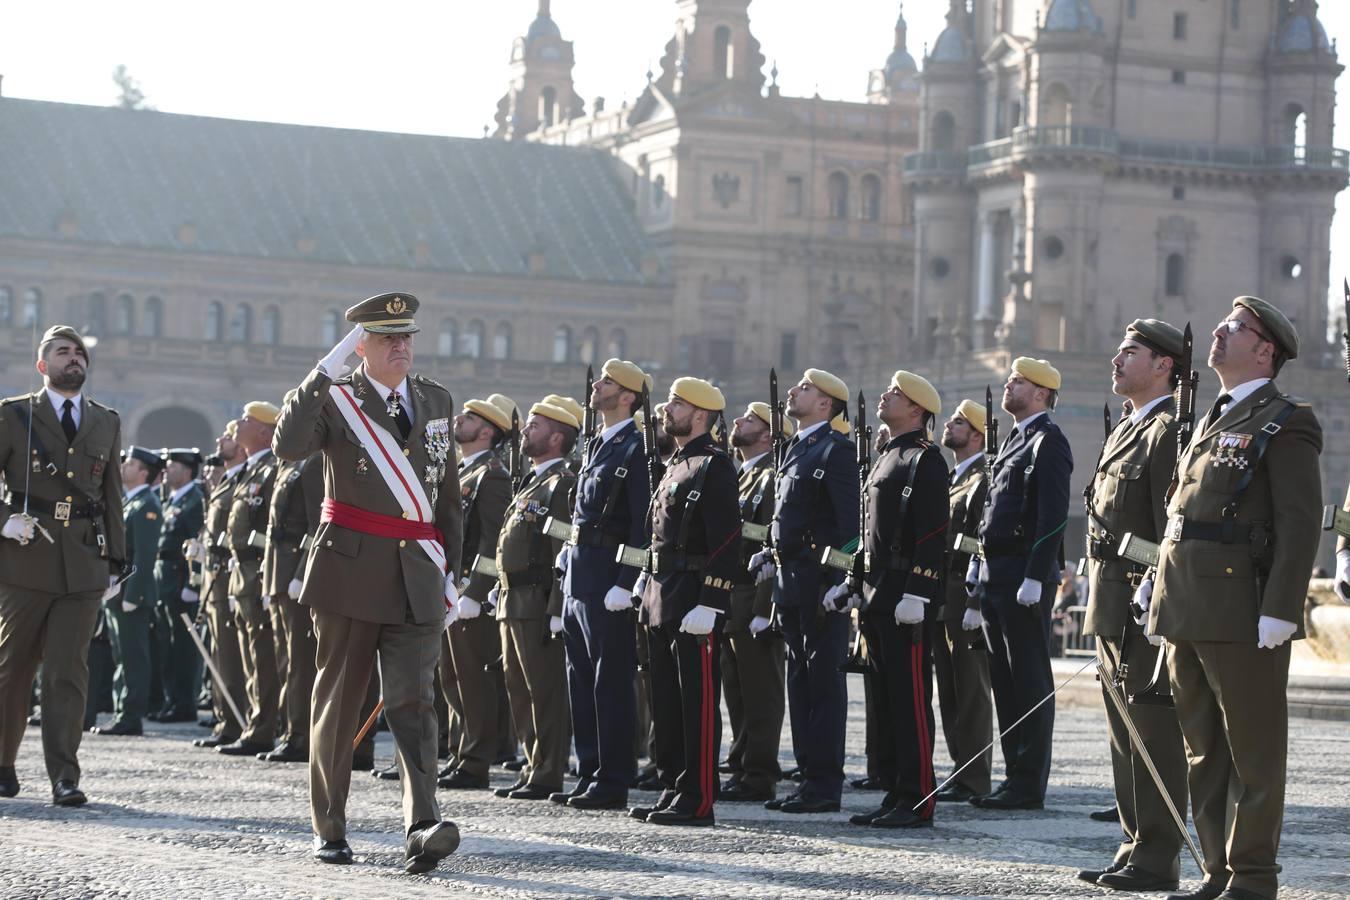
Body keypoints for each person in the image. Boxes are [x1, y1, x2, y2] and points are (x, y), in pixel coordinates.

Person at [274, 291, 463, 872]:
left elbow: (446, 496)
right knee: (339, 703)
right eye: (388, 338)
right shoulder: (336, 398)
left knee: (415, 702)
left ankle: (422, 825)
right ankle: (329, 826)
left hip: (418, 576)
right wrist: (320, 375)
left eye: (407, 336)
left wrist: (449, 570)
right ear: (362, 346)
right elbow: (287, 447)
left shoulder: (435, 399)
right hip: (349, 571)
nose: (401, 345)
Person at [1145, 297, 1322, 900]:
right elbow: (1181, 515)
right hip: (1187, 604)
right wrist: (1157, 584)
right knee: (1203, 754)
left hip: (1243, 610)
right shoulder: (1207, 417)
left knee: (1253, 752)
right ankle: (1216, 868)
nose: (1217, 333)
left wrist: (1282, 607)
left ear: (1265, 349)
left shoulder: (1287, 419)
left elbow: (1299, 524)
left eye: (1234, 328)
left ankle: (1252, 876)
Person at [1078, 319, 1189, 892]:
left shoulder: (1168, 429)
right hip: (1108, 598)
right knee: (1125, 734)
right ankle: (1134, 843)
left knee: (1152, 729)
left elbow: (1167, 529)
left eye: (1131, 352)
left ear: (1164, 365)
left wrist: (1149, 576)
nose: (1117, 359)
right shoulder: (1129, 427)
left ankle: (1158, 855)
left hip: (1140, 603)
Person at [0, 325, 125, 806]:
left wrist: (118, 561)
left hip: (84, 565)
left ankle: (64, 777)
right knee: (13, 669)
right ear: (42, 365)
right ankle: (3, 765)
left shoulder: (106, 421)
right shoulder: (14, 415)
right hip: (25, 558)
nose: (73, 358)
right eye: (61, 352)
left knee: (68, 674)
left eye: (78, 353)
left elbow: (113, 494)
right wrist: (4, 521)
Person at [832, 372, 949, 829]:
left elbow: (933, 532)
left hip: (905, 596)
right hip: (878, 594)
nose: (885, 395)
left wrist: (919, 590)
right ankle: (897, 789)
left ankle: (919, 797)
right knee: (886, 700)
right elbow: (871, 533)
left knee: (911, 699)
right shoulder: (887, 457)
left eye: (896, 394)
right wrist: (854, 581)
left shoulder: (925, 460)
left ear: (917, 410)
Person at [630, 378, 741, 827]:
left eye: (675, 403)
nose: (665, 410)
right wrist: (645, 580)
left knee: (697, 702)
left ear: (700, 415)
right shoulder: (676, 464)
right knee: (667, 702)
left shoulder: (714, 466)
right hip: (662, 593)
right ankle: (674, 786)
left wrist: (712, 599)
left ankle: (698, 799)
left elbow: (727, 538)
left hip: (694, 596)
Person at [753, 368, 857, 814]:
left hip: (819, 585)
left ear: (825, 405)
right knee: (799, 683)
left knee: (823, 685)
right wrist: (766, 553)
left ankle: (824, 784)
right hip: (790, 581)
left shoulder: (836, 450)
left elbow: (850, 528)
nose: (794, 390)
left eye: (806, 388)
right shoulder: (795, 448)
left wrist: (840, 582)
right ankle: (806, 776)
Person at [972, 357, 1073, 810]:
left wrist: (1036, 574)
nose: (1008, 386)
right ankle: (1013, 775)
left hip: (1022, 576)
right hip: (997, 573)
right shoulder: (1015, 441)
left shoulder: (1047, 442)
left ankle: (1029, 782)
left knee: (1029, 679)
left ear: (1040, 393)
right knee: (1005, 681)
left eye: (1017, 381)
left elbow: (1053, 519)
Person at [553, 358, 654, 811]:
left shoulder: (636, 448)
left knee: (609, 682)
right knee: (580, 680)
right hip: (580, 575)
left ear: (628, 397)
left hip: (608, 582)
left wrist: (627, 579)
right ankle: (590, 768)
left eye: (608, 382)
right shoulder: (598, 443)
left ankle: (613, 778)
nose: (597, 385)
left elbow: (641, 524)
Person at [491, 400, 577, 800]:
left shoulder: (562, 483)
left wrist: (558, 606)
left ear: (557, 437)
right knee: (518, 688)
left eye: (536, 426)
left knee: (545, 690)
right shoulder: (530, 482)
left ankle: (548, 771)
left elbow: (563, 548)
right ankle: (531, 764)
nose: (525, 431)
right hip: (512, 598)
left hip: (540, 599)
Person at [439, 394, 515, 790]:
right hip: (451, 589)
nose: (459, 420)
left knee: (474, 679)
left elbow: (492, 542)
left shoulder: (493, 475)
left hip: (469, 594)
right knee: (452, 678)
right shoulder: (464, 471)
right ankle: (459, 752)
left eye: (468, 418)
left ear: (486, 432)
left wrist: (476, 591)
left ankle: (475, 761)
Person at [719, 402, 789, 803]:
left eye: (751, 420)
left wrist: (765, 608)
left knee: (761, 691)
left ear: (767, 435)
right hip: (731, 596)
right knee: (737, 689)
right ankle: (741, 762)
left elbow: (769, 543)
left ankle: (760, 771)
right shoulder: (740, 477)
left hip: (753, 594)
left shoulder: (770, 477)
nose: (740, 422)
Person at [933, 400, 992, 804]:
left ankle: (975, 775)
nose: (949, 426)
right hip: (943, 591)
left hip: (964, 589)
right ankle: (960, 767)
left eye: (959, 422)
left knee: (970, 688)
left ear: (977, 434)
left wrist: (975, 599)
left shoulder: (984, 477)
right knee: (950, 687)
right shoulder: (954, 478)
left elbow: (980, 542)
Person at [217, 402, 281, 757]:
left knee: (262, 654)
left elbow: (272, 529)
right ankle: (252, 723)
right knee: (248, 653)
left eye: (246, 420)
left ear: (264, 432)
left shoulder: (270, 469)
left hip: (257, 571)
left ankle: (262, 728)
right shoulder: (250, 471)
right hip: (240, 573)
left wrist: (261, 569)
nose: (237, 425)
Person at [91, 446, 164, 736]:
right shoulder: (130, 502)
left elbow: (144, 557)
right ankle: (123, 712)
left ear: (144, 473)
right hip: (117, 591)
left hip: (131, 594)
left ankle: (130, 716)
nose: (124, 467)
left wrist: (133, 594)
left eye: (131, 464)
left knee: (133, 657)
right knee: (122, 655)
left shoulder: (146, 504)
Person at [258, 444, 323, 763]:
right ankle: (289, 731)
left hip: (296, 574)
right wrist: (270, 577)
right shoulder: (289, 463)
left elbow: (316, 525)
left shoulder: (312, 464)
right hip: (279, 573)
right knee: (285, 659)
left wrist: (301, 573)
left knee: (299, 661)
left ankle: (300, 736)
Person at [191, 422, 249, 749]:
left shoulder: (247, 478)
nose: (221, 440)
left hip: (233, 576)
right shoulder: (230, 480)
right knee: (219, 653)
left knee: (234, 655)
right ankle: (225, 720)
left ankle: (241, 722)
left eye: (228, 437)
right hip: (216, 577)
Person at [149, 448, 206, 724]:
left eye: (171, 467)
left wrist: (192, 584)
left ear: (186, 471)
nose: (166, 471)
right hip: (165, 578)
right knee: (167, 643)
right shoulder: (171, 499)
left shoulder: (195, 501)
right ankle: (172, 700)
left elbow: (196, 543)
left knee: (183, 645)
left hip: (180, 578)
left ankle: (185, 702)